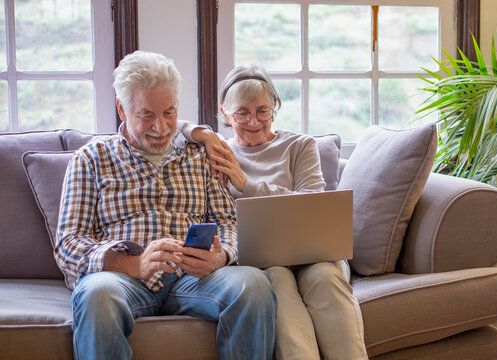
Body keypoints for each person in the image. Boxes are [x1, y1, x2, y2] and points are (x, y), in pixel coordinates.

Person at [54, 52, 277, 360]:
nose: (160, 127)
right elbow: (67, 244)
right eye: (146, 115)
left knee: (254, 285)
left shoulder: (200, 155)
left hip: (195, 279)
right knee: (96, 296)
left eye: (169, 113)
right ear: (122, 109)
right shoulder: (91, 159)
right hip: (122, 280)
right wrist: (133, 264)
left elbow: (229, 221)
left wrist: (222, 255)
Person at [180, 64, 368, 360]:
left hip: (313, 253)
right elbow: (166, 121)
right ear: (225, 114)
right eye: (242, 113)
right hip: (260, 262)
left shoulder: (299, 145)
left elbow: (311, 204)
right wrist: (202, 133)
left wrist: (245, 184)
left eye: (263, 111)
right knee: (277, 281)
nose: (254, 121)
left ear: (275, 108)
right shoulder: (216, 153)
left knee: (325, 280)